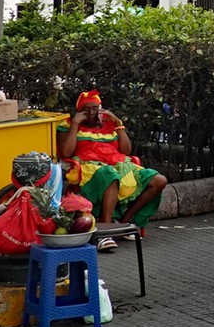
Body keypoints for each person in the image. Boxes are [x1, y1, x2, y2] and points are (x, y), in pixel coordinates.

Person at [58, 91, 168, 252]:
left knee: (159, 181)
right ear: (79, 111)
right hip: (89, 169)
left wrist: (117, 122)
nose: (91, 113)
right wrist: (75, 124)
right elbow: (66, 153)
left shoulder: (110, 126)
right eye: (86, 109)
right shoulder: (68, 125)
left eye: (95, 109)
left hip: (120, 164)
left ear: (101, 109)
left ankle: (124, 222)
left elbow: (126, 150)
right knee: (110, 175)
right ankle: (105, 233)